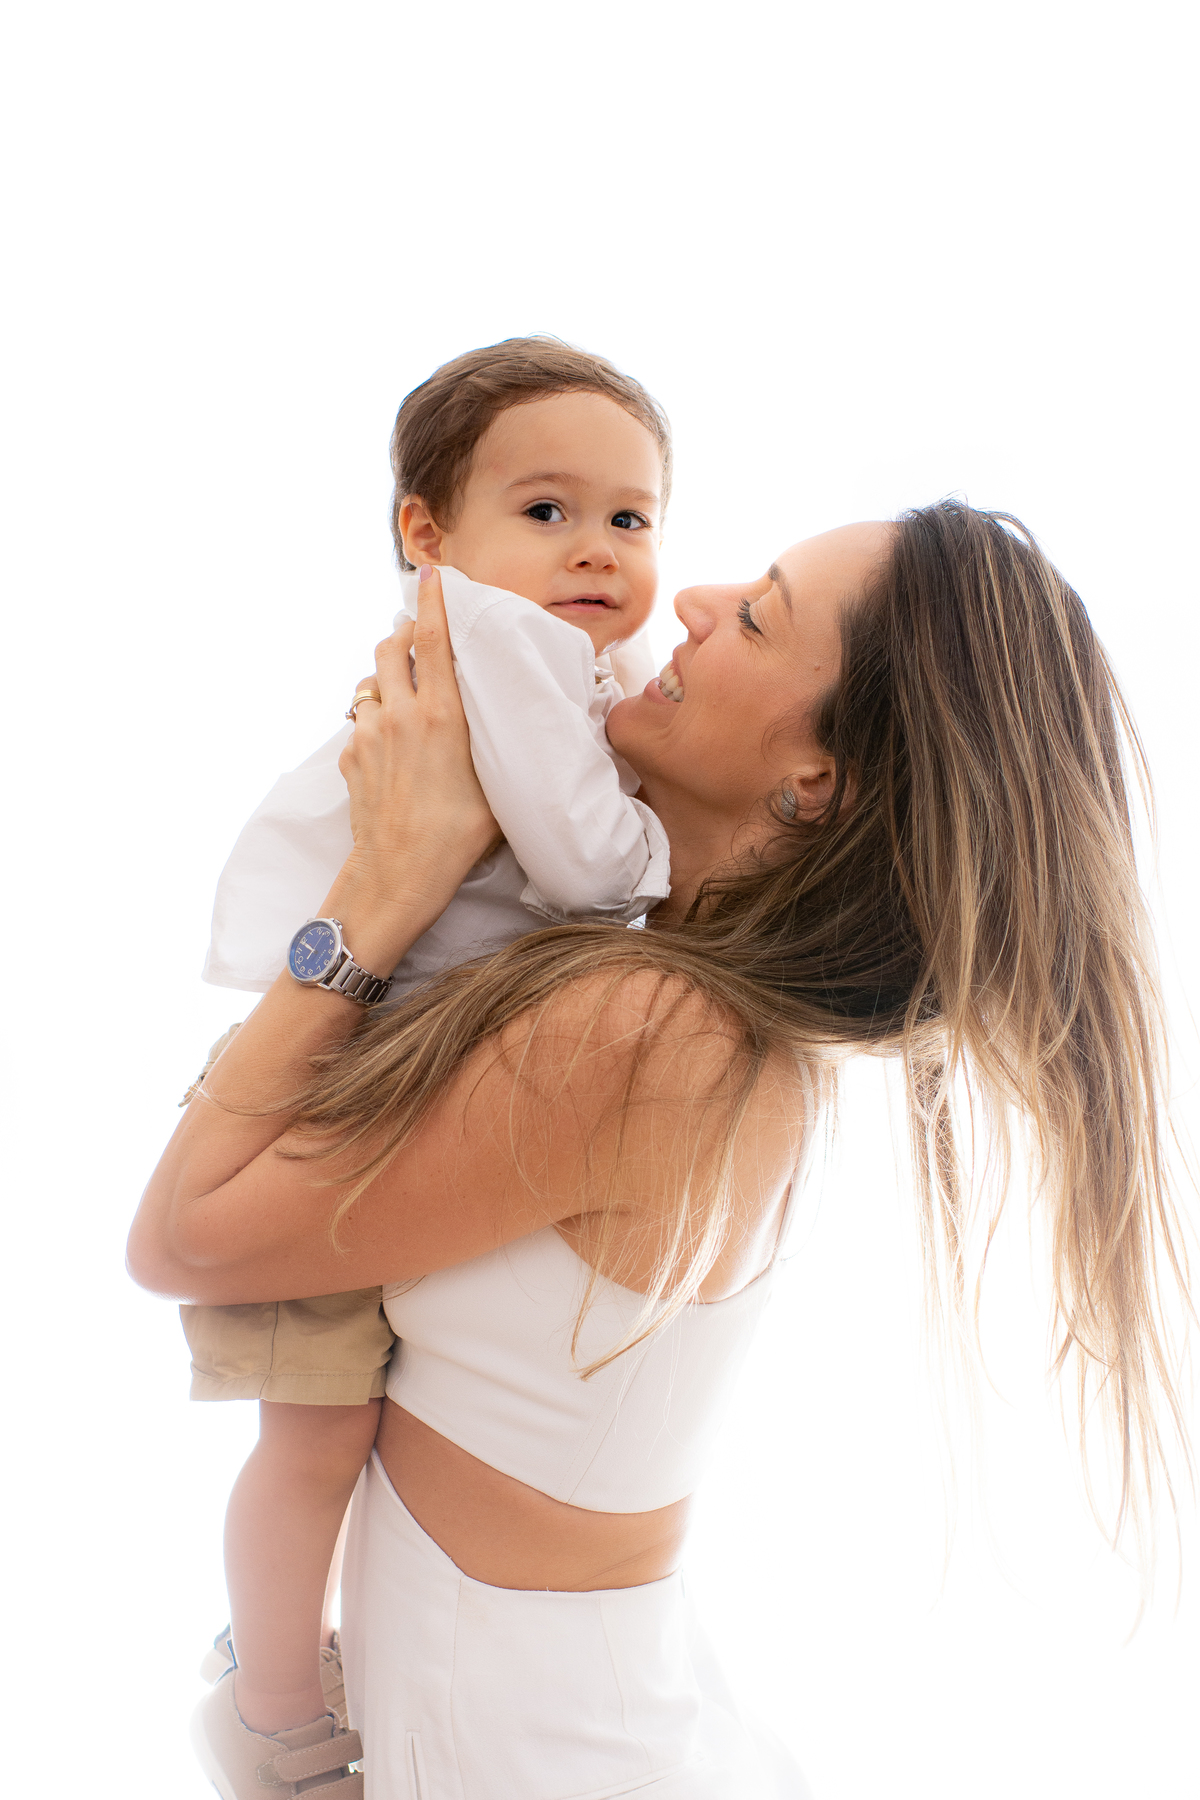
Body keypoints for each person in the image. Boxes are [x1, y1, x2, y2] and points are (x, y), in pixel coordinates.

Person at [129, 502, 1188, 1798]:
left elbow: (181, 1240)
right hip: (565, 1711)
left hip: (525, 1751)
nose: (689, 601)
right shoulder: (703, 1017)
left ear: (815, 782)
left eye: (756, 615)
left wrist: (380, 892)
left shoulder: (652, 1031)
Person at [179, 336, 679, 1794]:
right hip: (335, 1064)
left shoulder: (564, 651)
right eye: (546, 511)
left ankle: (299, 1655)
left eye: (630, 519)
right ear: (427, 535)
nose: (594, 549)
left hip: (401, 1059)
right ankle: (272, 1712)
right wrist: (665, 856)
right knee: (318, 1430)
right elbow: (591, 868)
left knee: (361, 1425)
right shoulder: (494, 641)